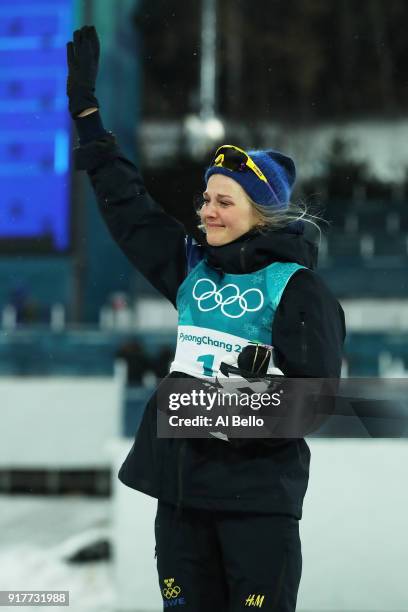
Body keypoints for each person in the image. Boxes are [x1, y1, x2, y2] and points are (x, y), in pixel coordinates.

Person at [67, 26, 345, 611]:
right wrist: (90, 120)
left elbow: (315, 402)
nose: (207, 211)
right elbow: (132, 213)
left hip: (257, 506)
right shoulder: (193, 269)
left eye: (225, 201)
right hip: (182, 500)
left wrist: (227, 404)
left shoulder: (299, 290)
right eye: (205, 198)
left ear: (261, 214)